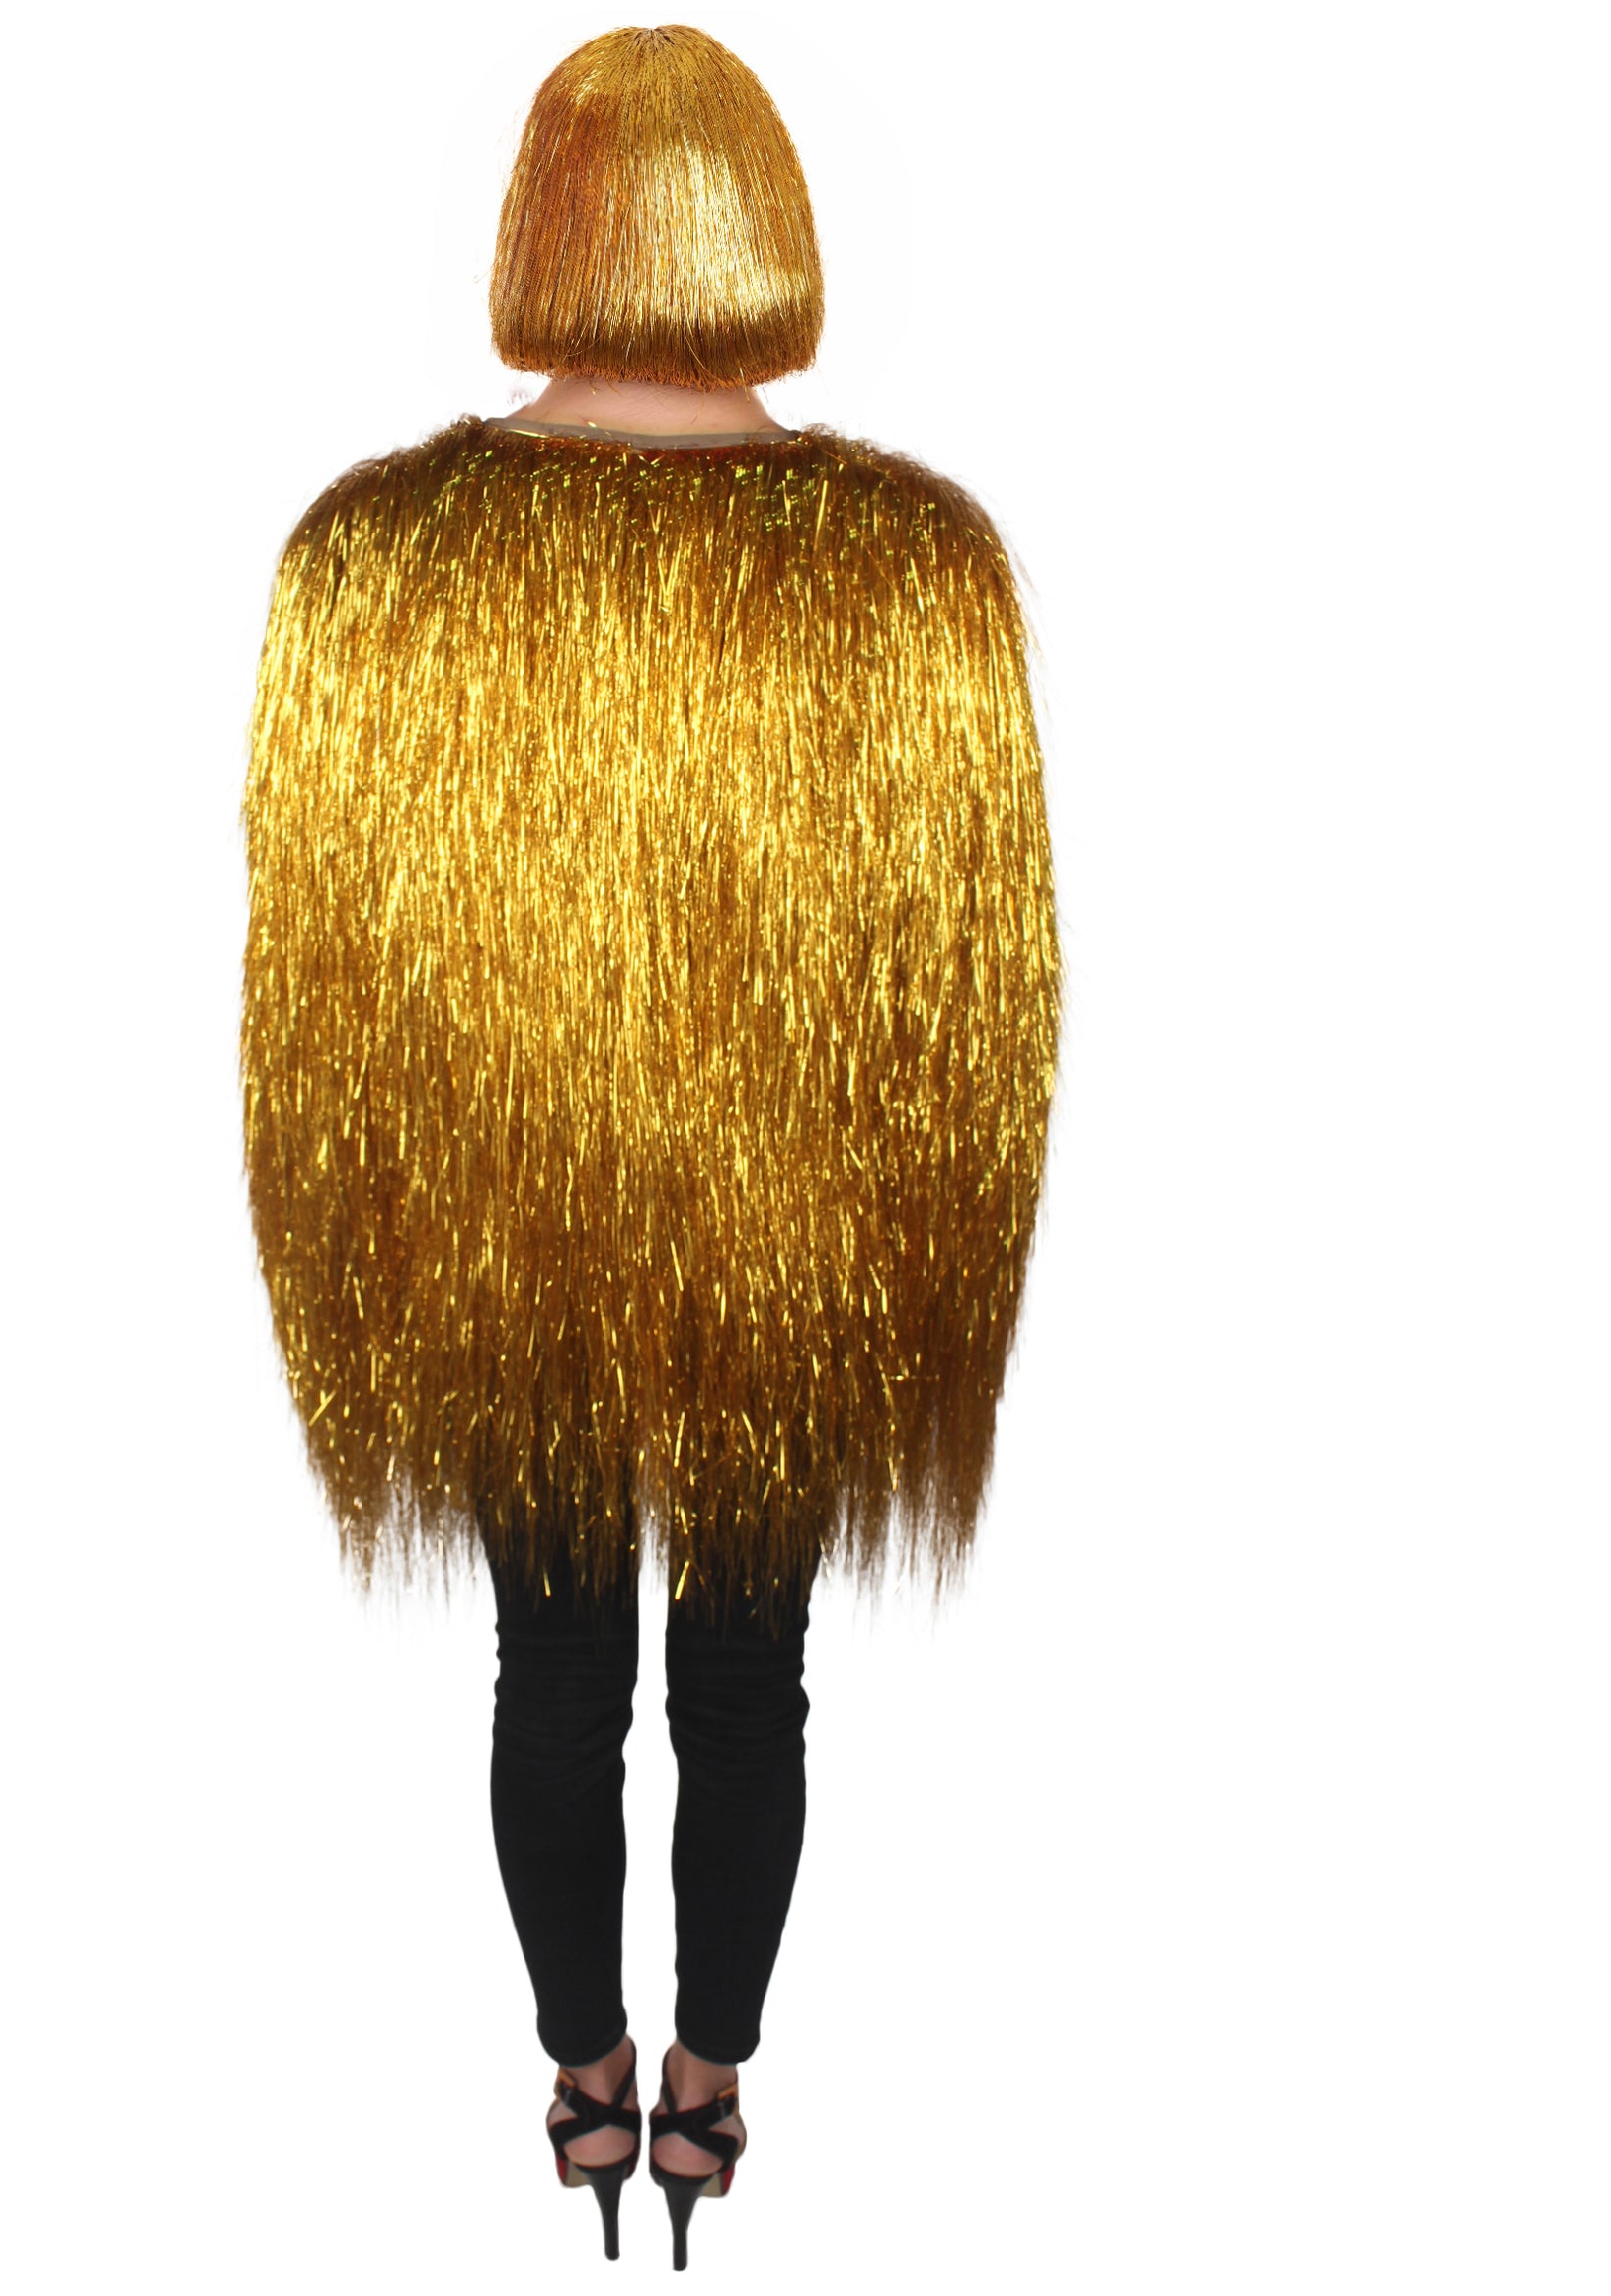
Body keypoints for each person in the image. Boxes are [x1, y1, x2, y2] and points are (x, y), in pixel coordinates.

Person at [239, 24, 1062, 2268]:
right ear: (763, 224)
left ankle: (582, 2078)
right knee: (745, 1686)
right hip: (798, 1249)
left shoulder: (378, 558)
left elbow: (324, 987)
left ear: (545, 225)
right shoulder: (913, 567)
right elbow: (975, 1004)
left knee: (551, 1677)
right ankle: (710, 2085)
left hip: (508, 1240)